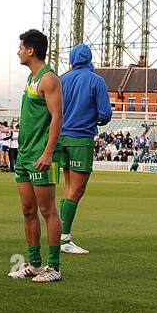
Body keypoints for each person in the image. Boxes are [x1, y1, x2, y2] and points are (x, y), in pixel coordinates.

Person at [7, 29, 64, 282]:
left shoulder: (49, 79)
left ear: (31, 50)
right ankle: (34, 264)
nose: (18, 51)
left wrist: (48, 152)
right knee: (28, 210)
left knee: (47, 210)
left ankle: (54, 267)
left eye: (21, 47)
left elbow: (57, 117)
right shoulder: (31, 79)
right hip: (24, 154)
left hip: (41, 155)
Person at [56, 43, 113, 254]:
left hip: (62, 138)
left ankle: (60, 235)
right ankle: (64, 239)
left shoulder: (62, 80)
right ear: (89, 59)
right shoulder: (96, 81)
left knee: (69, 187)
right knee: (77, 190)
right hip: (81, 138)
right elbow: (105, 114)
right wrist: (94, 120)